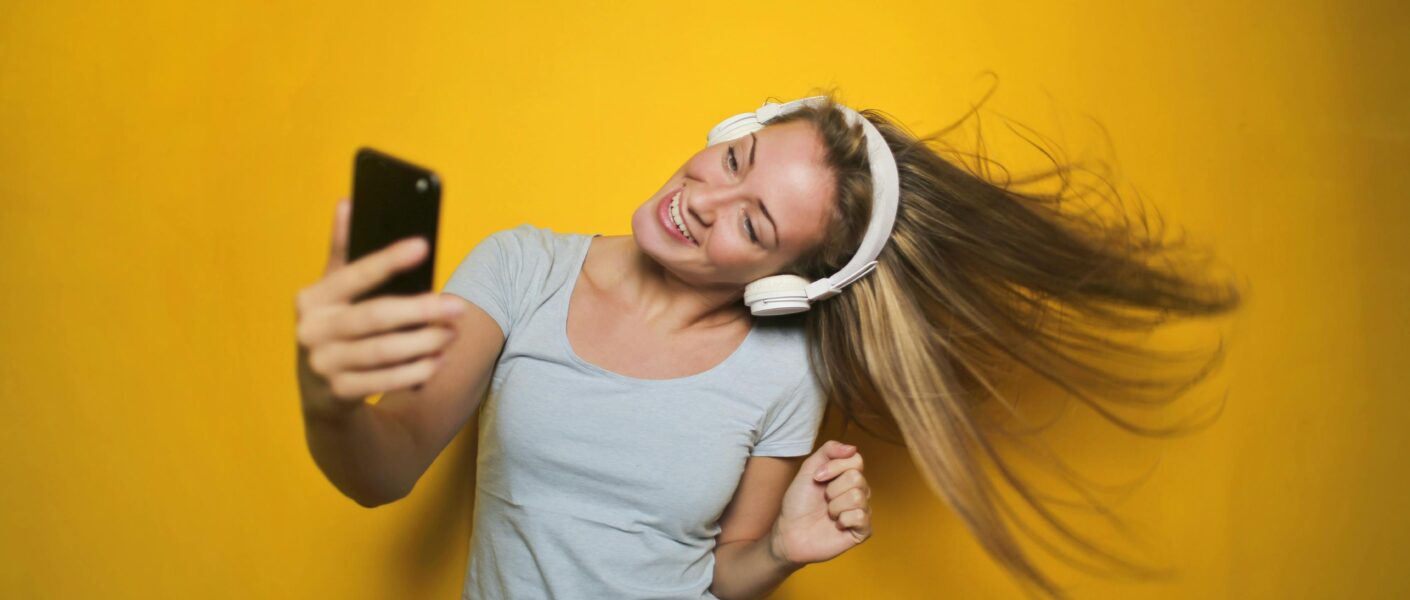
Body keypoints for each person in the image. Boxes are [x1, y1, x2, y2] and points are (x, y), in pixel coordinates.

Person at [295, 92, 1241, 599]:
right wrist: (330, 394)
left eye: (752, 226)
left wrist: (783, 550)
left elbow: (722, 570)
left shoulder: (785, 370)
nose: (703, 199)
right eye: (736, 159)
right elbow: (383, 473)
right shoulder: (522, 268)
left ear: (786, 283)